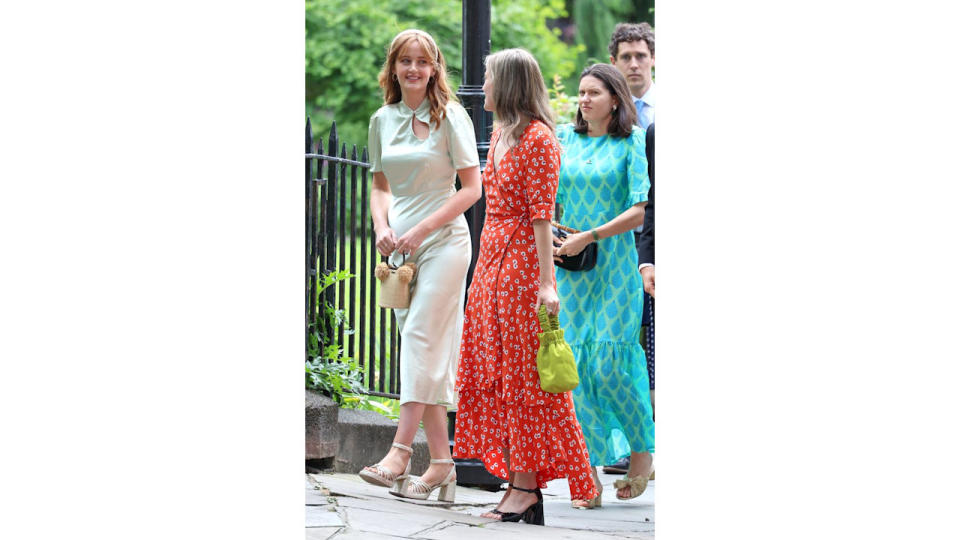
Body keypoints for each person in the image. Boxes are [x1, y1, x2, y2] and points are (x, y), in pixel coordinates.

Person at [453, 48, 597, 526]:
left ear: (510, 84)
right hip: (491, 263)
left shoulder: (537, 139)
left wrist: (546, 283)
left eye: (489, 78)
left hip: (518, 267)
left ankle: (527, 489)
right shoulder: (500, 134)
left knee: (525, 377)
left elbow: (541, 218)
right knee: (496, 371)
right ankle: (517, 482)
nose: (483, 87)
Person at [358, 29, 482, 503]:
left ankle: (398, 452)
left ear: (434, 69)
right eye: (405, 61)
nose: (413, 69)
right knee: (424, 351)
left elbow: (472, 189)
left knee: (418, 339)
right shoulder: (381, 119)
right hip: (399, 251)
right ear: (393, 68)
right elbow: (380, 187)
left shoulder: (452, 116)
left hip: (445, 242)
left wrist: (422, 230)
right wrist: (380, 228)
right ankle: (443, 464)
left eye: (422, 62)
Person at [553, 64, 655, 507]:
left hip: (615, 266)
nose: (585, 100)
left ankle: (641, 452)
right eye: (580, 93)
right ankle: (586, 477)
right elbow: (550, 199)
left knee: (610, 365)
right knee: (576, 371)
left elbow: (640, 210)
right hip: (571, 268)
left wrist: (590, 235)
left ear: (615, 99)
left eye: (594, 93)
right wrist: (558, 239)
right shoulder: (565, 140)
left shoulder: (632, 142)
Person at [604, 21, 656, 476]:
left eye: (641, 55)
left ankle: (644, 448)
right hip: (623, 255)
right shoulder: (597, 121)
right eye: (626, 57)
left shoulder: (659, 116)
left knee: (640, 355)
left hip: (641, 245)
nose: (635, 63)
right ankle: (626, 447)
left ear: (652, 59)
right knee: (619, 355)